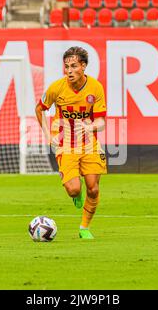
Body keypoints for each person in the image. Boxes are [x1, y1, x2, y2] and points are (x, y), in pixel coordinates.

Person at [35, 46, 107, 239]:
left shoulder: (95, 88)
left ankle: (84, 228)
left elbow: (101, 121)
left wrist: (90, 127)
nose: (69, 70)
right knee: (74, 189)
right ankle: (76, 196)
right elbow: (39, 109)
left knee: (93, 188)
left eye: (73, 66)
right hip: (65, 145)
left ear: (83, 66)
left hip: (89, 144)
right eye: (66, 66)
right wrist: (47, 135)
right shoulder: (56, 88)